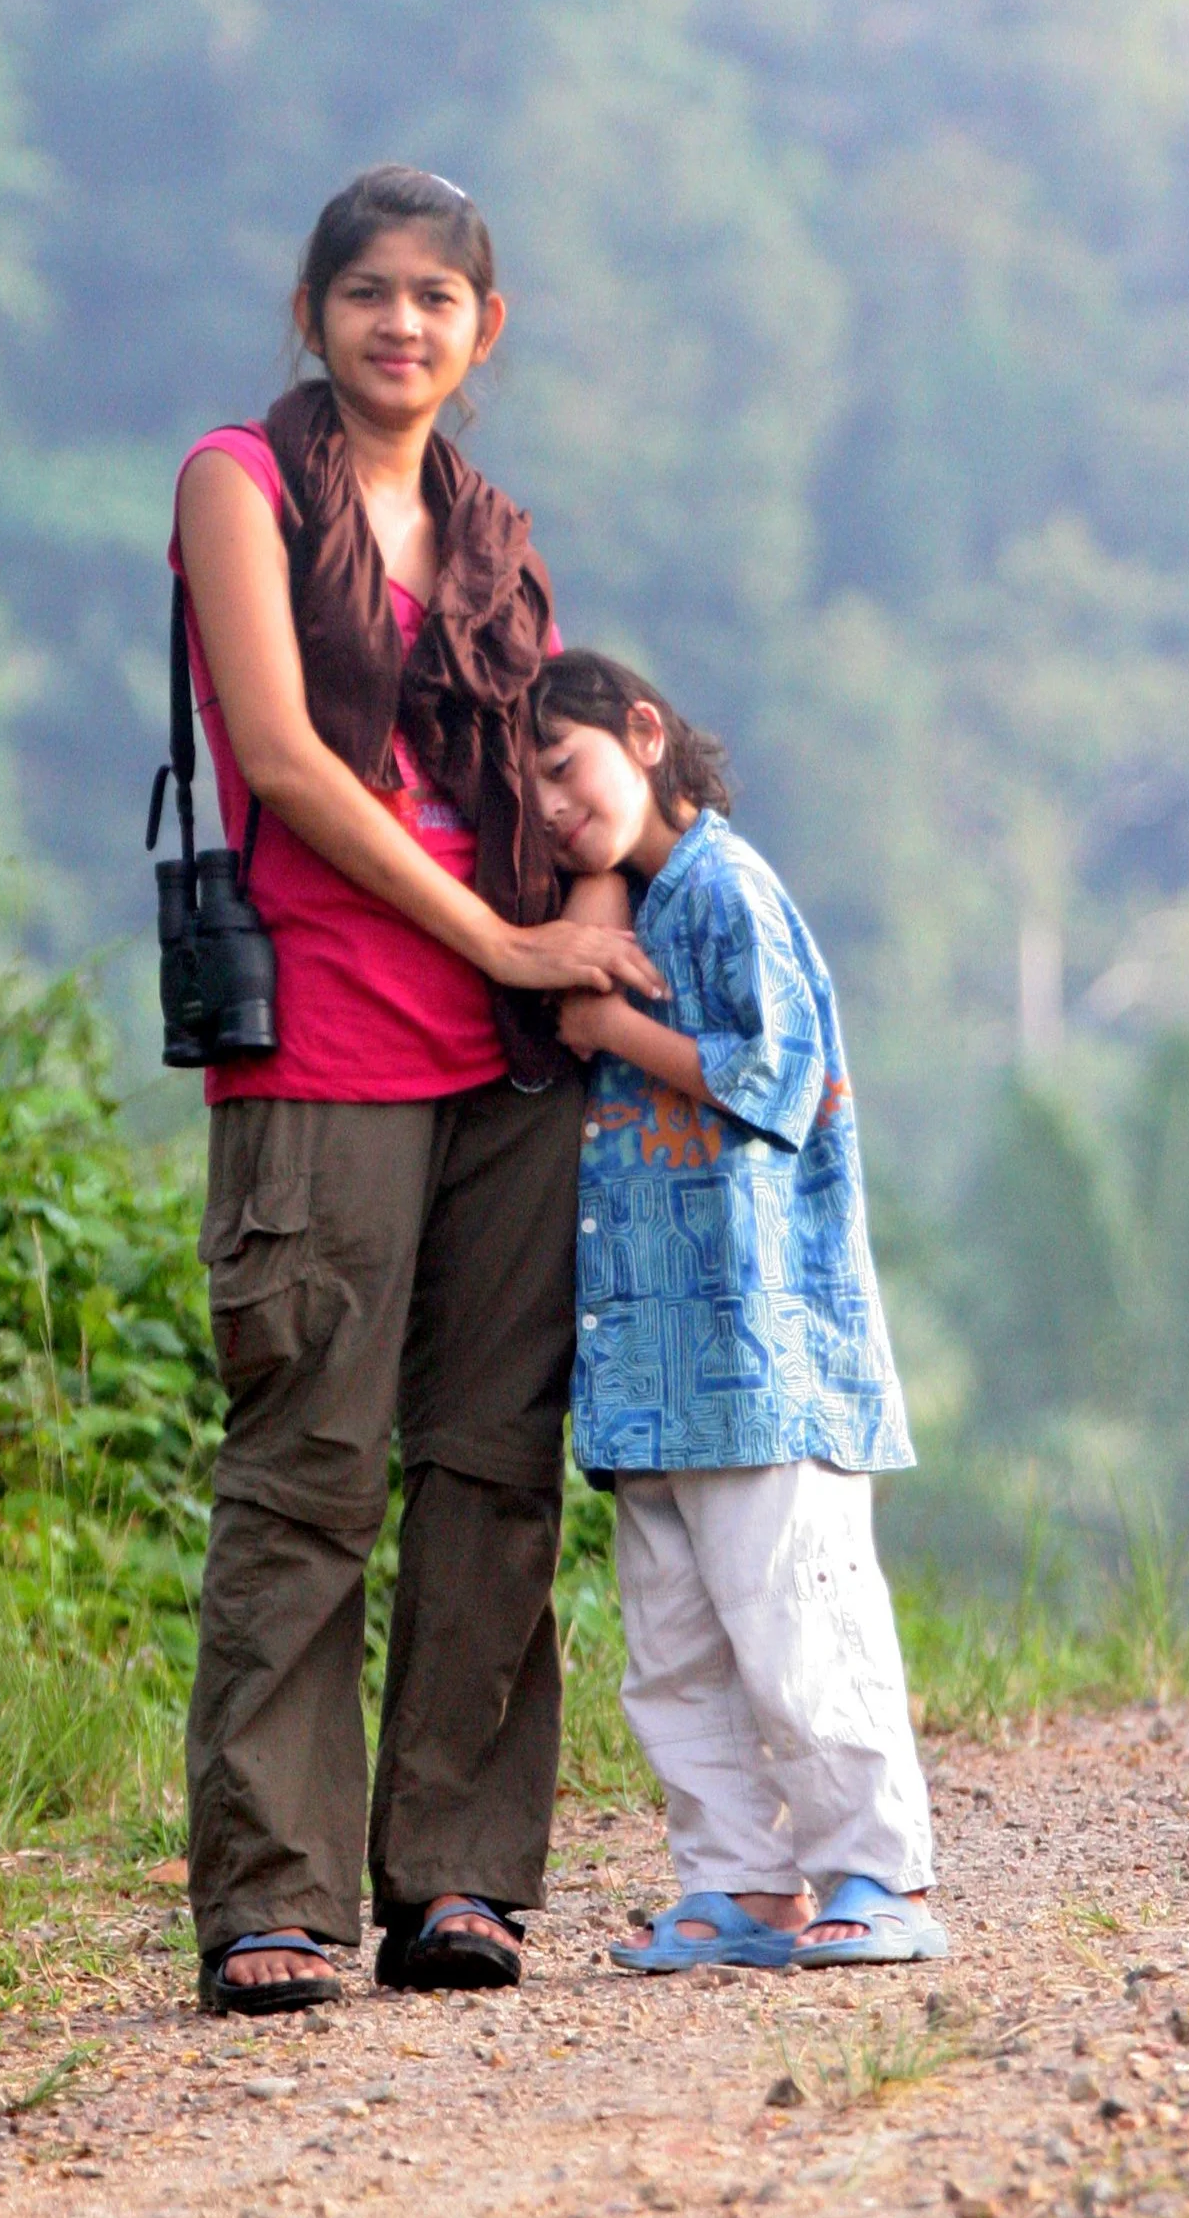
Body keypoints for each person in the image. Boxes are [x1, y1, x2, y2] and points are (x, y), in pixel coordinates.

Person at [171, 166, 664, 2017]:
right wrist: (508, 938)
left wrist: (597, 926)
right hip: (328, 1043)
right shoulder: (240, 482)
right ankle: (271, 1894)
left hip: (514, 1062)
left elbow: (574, 763)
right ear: (311, 310)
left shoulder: (493, 533)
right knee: (308, 1471)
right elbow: (290, 761)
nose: (400, 323)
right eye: (366, 291)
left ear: (485, 328)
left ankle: (457, 1875)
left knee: (489, 1473)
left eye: (435, 297)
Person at [529, 649, 947, 1970]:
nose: (549, 805)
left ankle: (875, 1873)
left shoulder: (724, 888)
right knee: (672, 1654)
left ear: (644, 734)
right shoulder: (639, 901)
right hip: (651, 1365)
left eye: (564, 767)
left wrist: (612, 1030)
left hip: (760, 1354)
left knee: (801, 1630)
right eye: (527, 786)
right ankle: (737, 1884)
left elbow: (778, 1072)